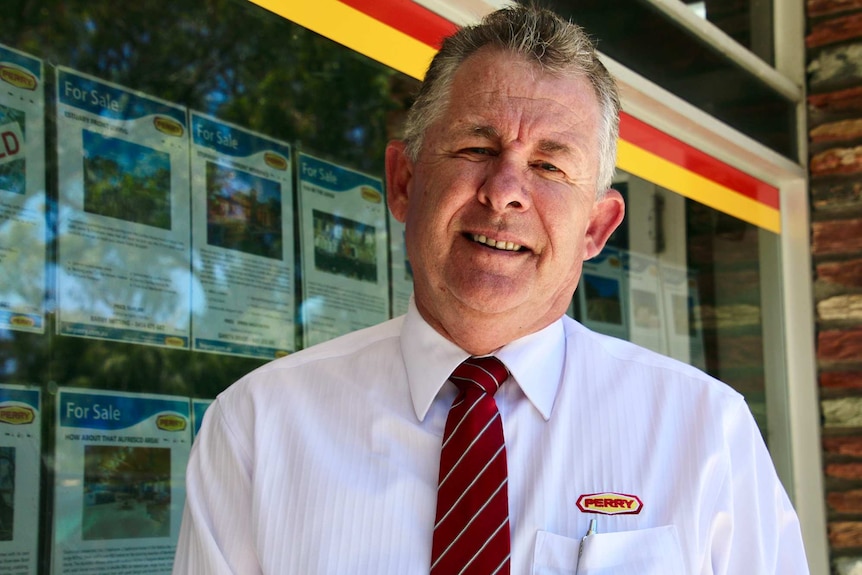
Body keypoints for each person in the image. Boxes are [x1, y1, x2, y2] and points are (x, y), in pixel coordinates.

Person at [173, 5, 809, 574]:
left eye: (549, 166)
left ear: (596, 226)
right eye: (476, 146)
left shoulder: (706, 433)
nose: (504, 189)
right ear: (402, 182)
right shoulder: (258, 427)